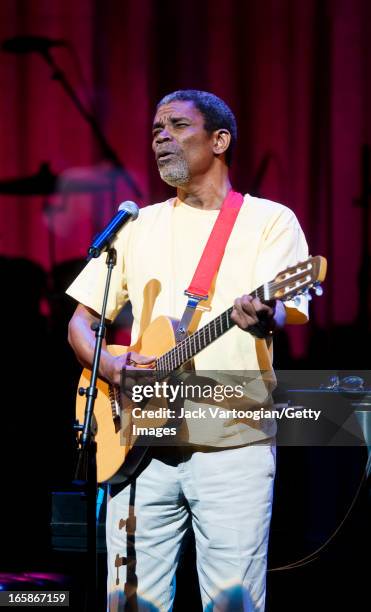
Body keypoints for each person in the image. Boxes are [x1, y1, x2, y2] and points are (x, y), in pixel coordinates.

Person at [67, 90, 308, 611]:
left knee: (232, 602)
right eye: (156, 128)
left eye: (177, 125)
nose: (160, 136)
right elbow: (80, 323)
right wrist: (107, 362)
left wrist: (268, 314)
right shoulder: (137, 225)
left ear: (220, 141)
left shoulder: (270, 221)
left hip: (232, 442)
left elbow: (290, 307)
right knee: (129, 601)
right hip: (139, 443)